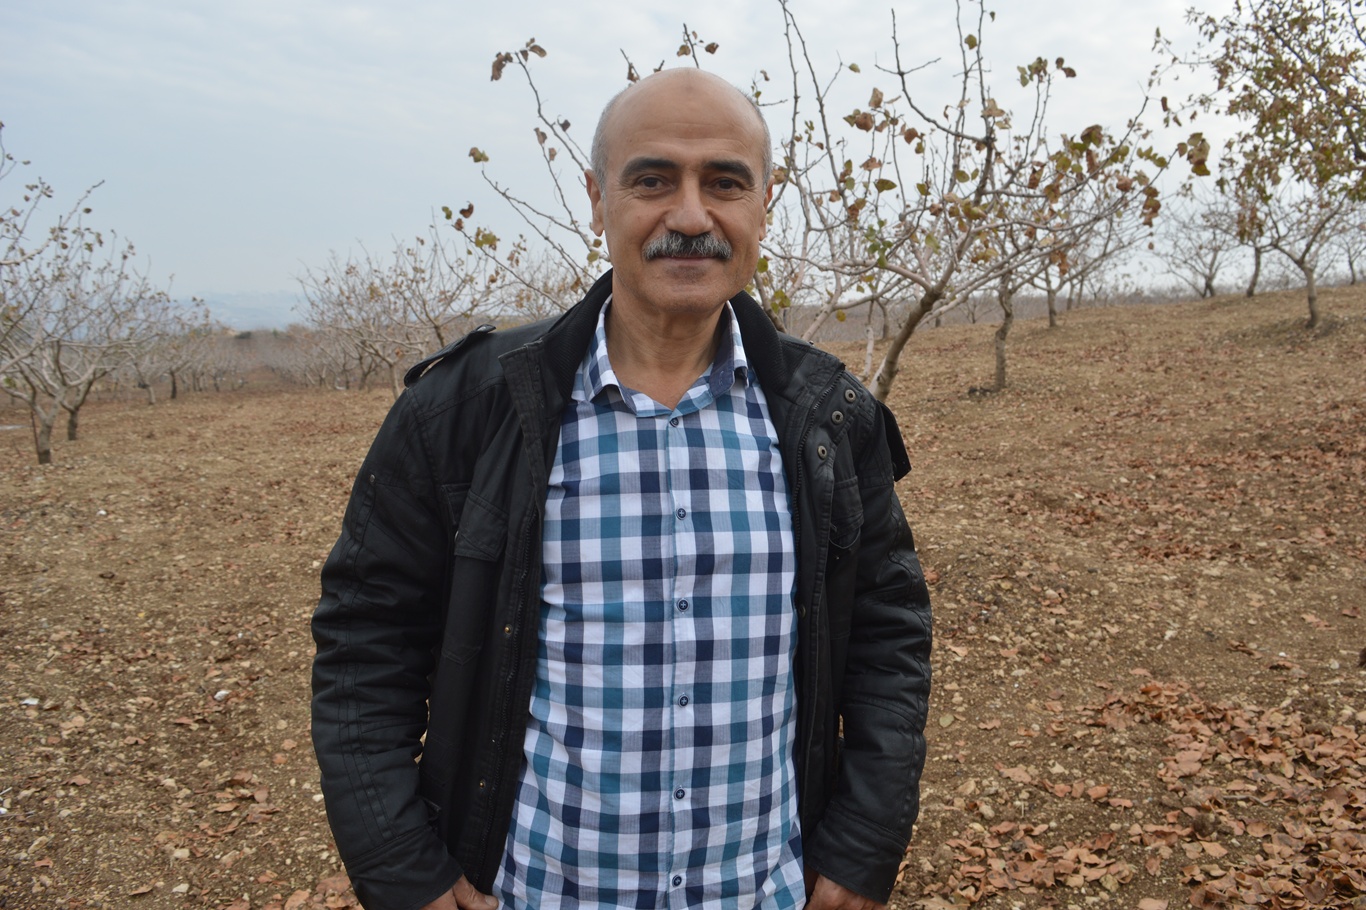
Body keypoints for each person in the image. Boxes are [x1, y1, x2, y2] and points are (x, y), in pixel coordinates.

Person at [311, 68, 932, 910]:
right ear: (598, 200)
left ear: (765, 204)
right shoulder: (463, 413)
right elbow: (366, 642)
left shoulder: (828, 416)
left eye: (724, 182)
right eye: (652, 180)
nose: (690, 216)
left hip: (764, 890)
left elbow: (889, 636)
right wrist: (402, 867)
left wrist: (864, 841)